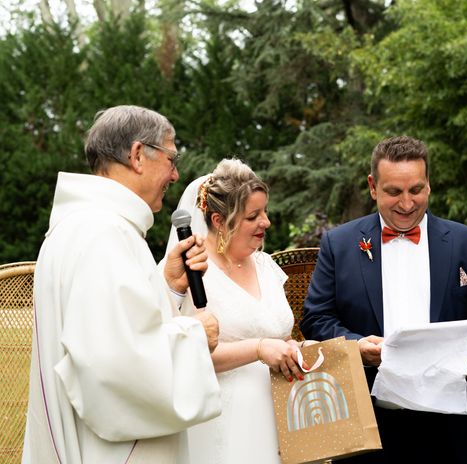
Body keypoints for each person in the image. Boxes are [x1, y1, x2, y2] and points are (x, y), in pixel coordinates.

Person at [300, 135, 467, 463]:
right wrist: (356, 346)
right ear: (373, 187)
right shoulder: (339, 244)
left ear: (428, 185)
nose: (406, 203)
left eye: (416, 190)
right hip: (368, 427)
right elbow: (316, 317)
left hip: (455, 429)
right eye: (393, 192)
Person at [22, 105, 222, 464]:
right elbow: (114, 365)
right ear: (137, 156)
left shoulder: (86, 226)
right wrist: (195, 334)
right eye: (171, 158)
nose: (176, 175)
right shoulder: (103, 233)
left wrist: (169, 288)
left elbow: (111, 328)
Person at [165, 158, 312, 464]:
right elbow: (182, 352)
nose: (266, 222)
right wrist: (257, 349)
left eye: (265, 212)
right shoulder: (190, 273)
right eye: (253, 216)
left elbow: (278, 337)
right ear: (219, 220)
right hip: (224, 422)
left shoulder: (266, 266)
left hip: (281, 417)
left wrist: (300, 349)